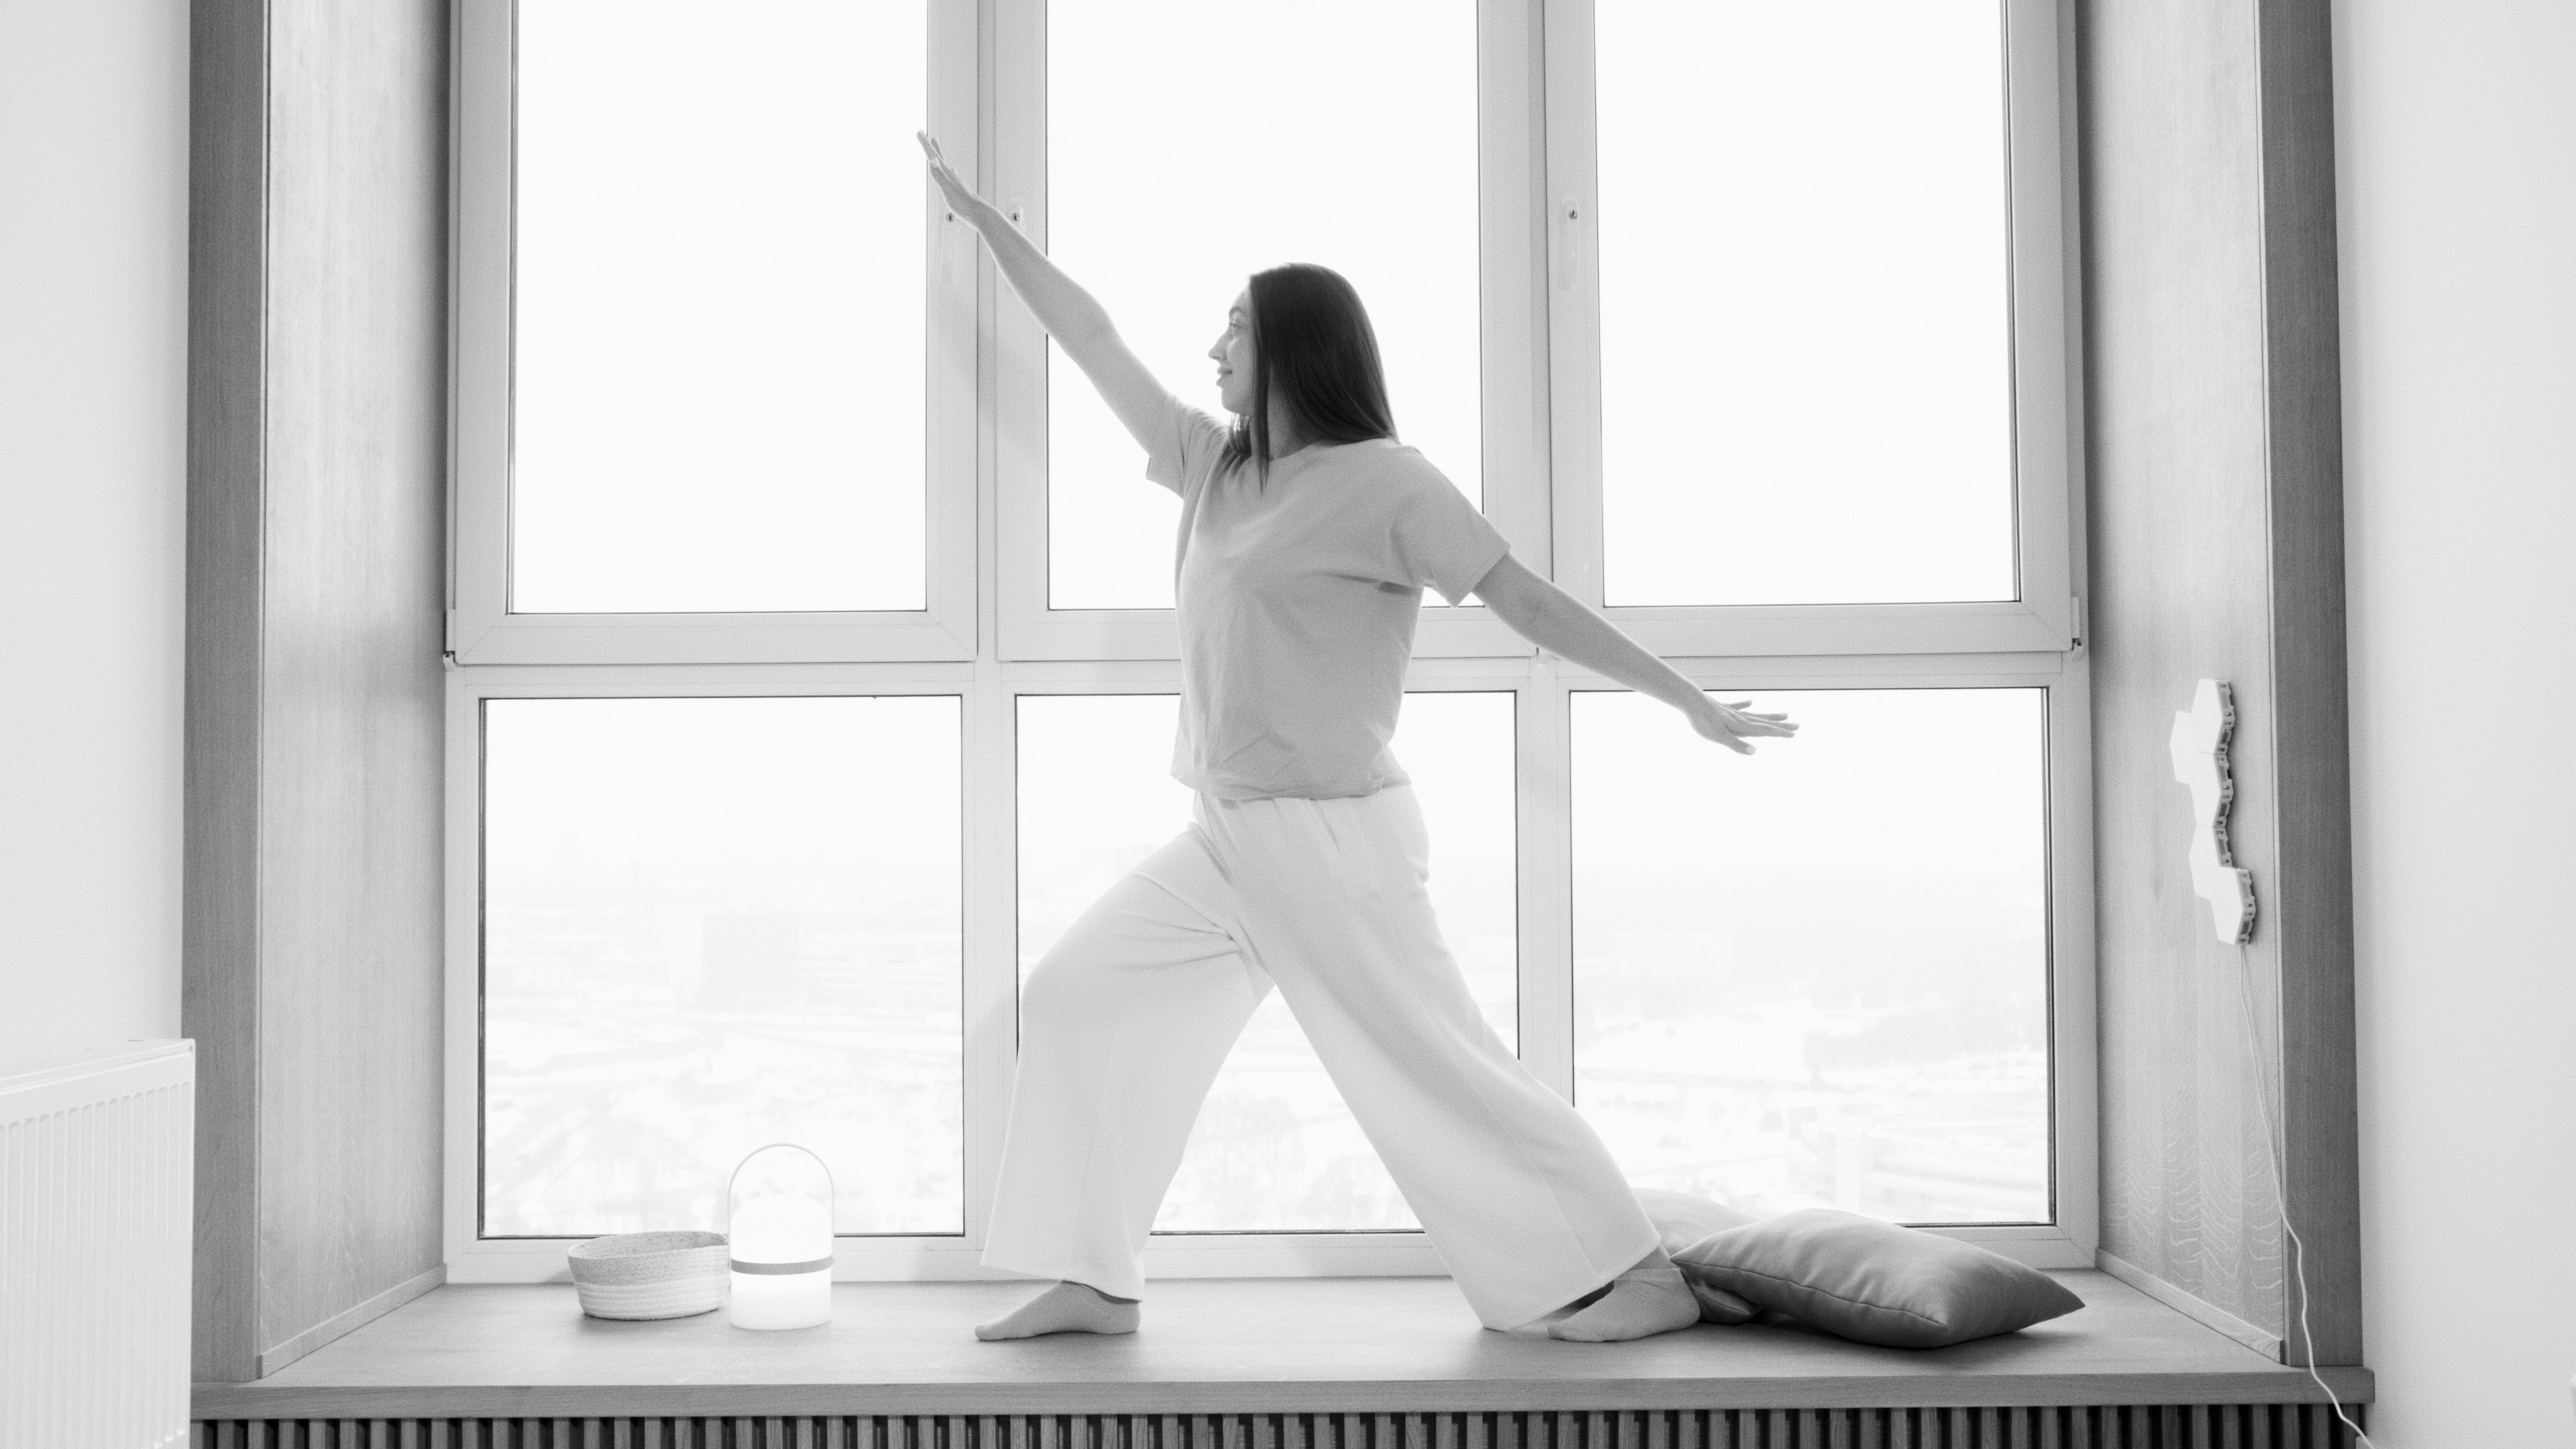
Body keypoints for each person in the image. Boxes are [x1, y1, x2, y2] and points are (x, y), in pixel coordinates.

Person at [918, 132, 1795, 1344]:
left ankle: (1629, 1269)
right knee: (1073, 999)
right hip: (1227, 837)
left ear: (1292, 348)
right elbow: (1092, 336)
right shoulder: (1212, 466)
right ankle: (1094, 1277)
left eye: (1235, 327)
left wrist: (1685, 698)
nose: (1214, 346)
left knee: (1440, 1069)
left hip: (1338, 847)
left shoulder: (1392, 484)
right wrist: (983, 220)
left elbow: (1529, 602)